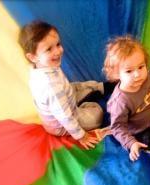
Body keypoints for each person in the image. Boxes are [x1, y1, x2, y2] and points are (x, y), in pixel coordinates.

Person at [19, 20, 114, 149]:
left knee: (84, 85)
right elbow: (65, 117)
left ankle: (101, 87)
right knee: (96, 115)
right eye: (49, 49)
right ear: (33, 57)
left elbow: (62, 90)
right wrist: (82, 136)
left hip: (65, 96)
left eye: (58, 44)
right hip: (62, 124)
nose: (58, 51)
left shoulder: (40, 67)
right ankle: (96, 102)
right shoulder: (50, 86)